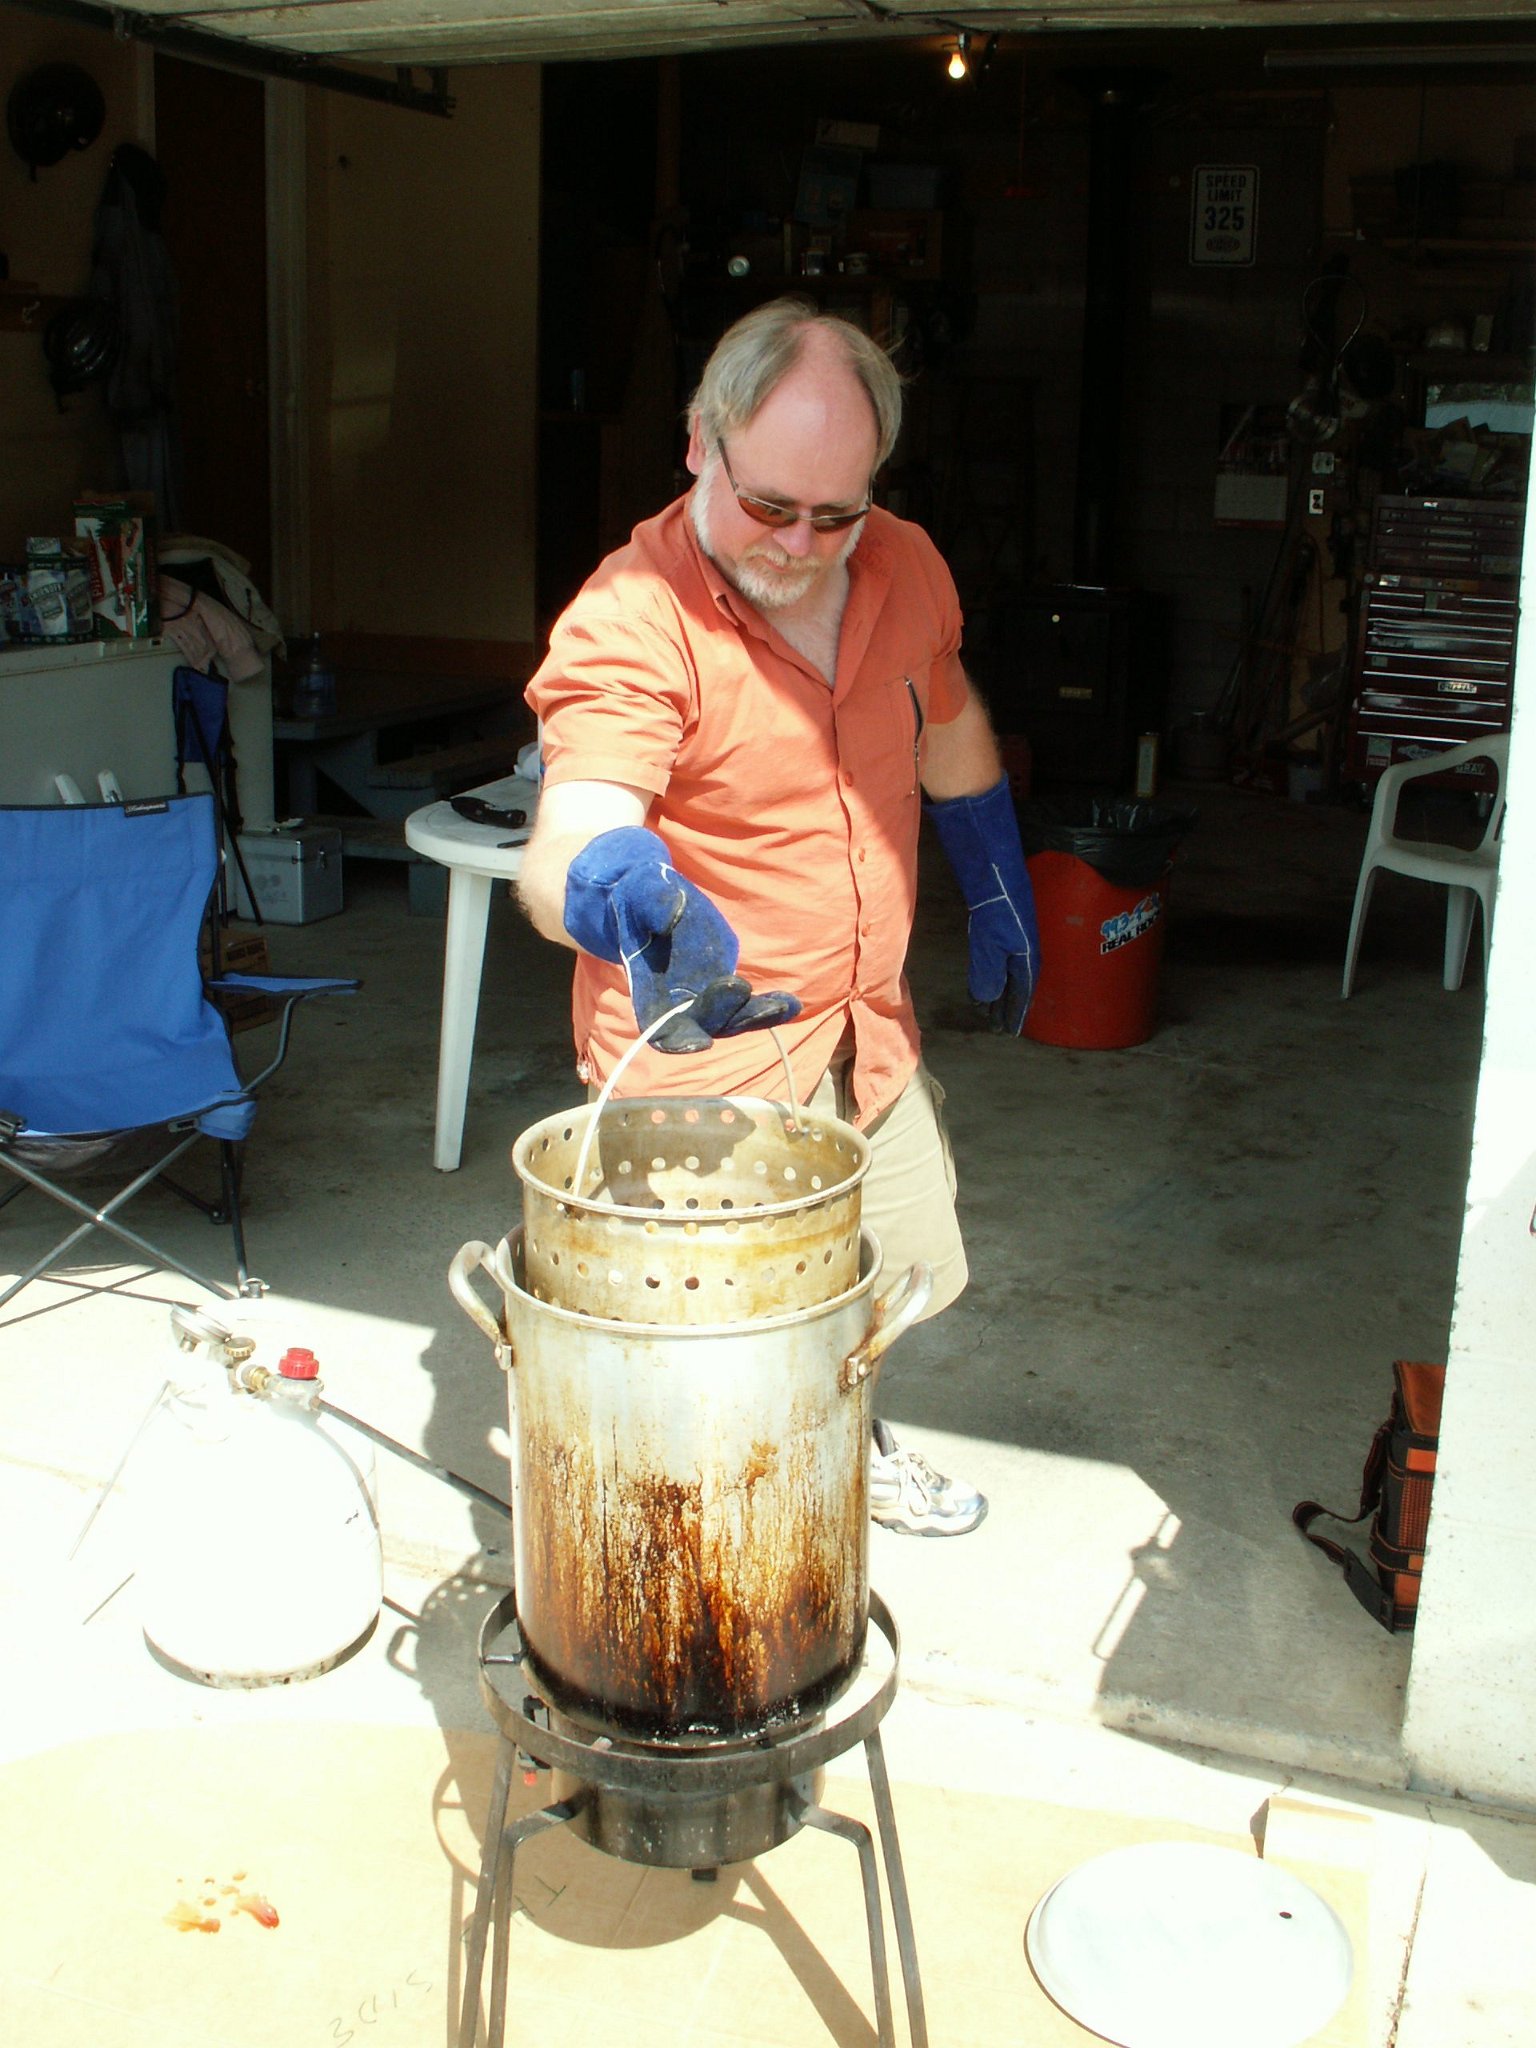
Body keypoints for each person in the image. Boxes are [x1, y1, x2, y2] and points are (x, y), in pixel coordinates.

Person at [517, 296, 1038, 1537]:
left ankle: (850, 1449)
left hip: (867, 1030)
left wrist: (996, 876)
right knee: (704, 1360)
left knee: (876, 1289)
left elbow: (947, 717)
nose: (801, 544)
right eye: (769, 506)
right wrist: (618, 891)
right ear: (701, 439)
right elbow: (565, 839)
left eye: (834, 513)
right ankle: (692, 1537)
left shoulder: (906, 563)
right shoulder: (633, 614)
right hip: (712, 1064)